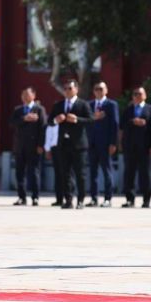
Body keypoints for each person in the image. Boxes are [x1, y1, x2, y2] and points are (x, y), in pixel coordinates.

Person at [52, 79, 91, 209]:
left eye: (70, 88)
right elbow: (50, 121)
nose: (67, 91)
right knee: (65, 173)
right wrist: (56, 120)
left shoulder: (83, 104)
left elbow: (90, 120)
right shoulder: (58, 105)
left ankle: (81, 200)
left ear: (76, 90)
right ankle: (68, 199)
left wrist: (77, 119)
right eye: (65, 88)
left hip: (79, 144)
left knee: (80, 174)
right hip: (64, 143)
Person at [119, 86, 151, 208]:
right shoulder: (128, 110)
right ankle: (129, 199)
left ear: (145, 96)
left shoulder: (150, 109)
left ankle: (146, 200)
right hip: (130, 147)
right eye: (135, 94)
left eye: (140, 94)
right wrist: (132, 122)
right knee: (129, 174)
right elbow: (122, 127)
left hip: (146, 148)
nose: (137, 96)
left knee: (145, 174)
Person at [9, 87, 46, 205]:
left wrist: (41, 144)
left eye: (27, 94)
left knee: (34, 172)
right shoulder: (18, 110)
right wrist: (24, 118)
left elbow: (43, 128)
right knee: (19, 172)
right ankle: (22, 197)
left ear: (33, 95)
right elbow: (11, 123)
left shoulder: (39, 109)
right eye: (23, 94)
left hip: (34, 146)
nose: (25, 97)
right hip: (20, 146)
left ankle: (35, 197)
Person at [85, 81, 119, 207]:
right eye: (96, 88)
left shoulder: (111, 105)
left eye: (101, 88)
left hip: (105, 144)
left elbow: (115, 125)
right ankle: (94, 198)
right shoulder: (90, 104)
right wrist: (94, 117)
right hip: (92, 143)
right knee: (92, 172)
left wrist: (113, 143)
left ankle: (108, 198)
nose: (98, 91)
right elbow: (86, 121)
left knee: (106, 171)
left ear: (106, 90)